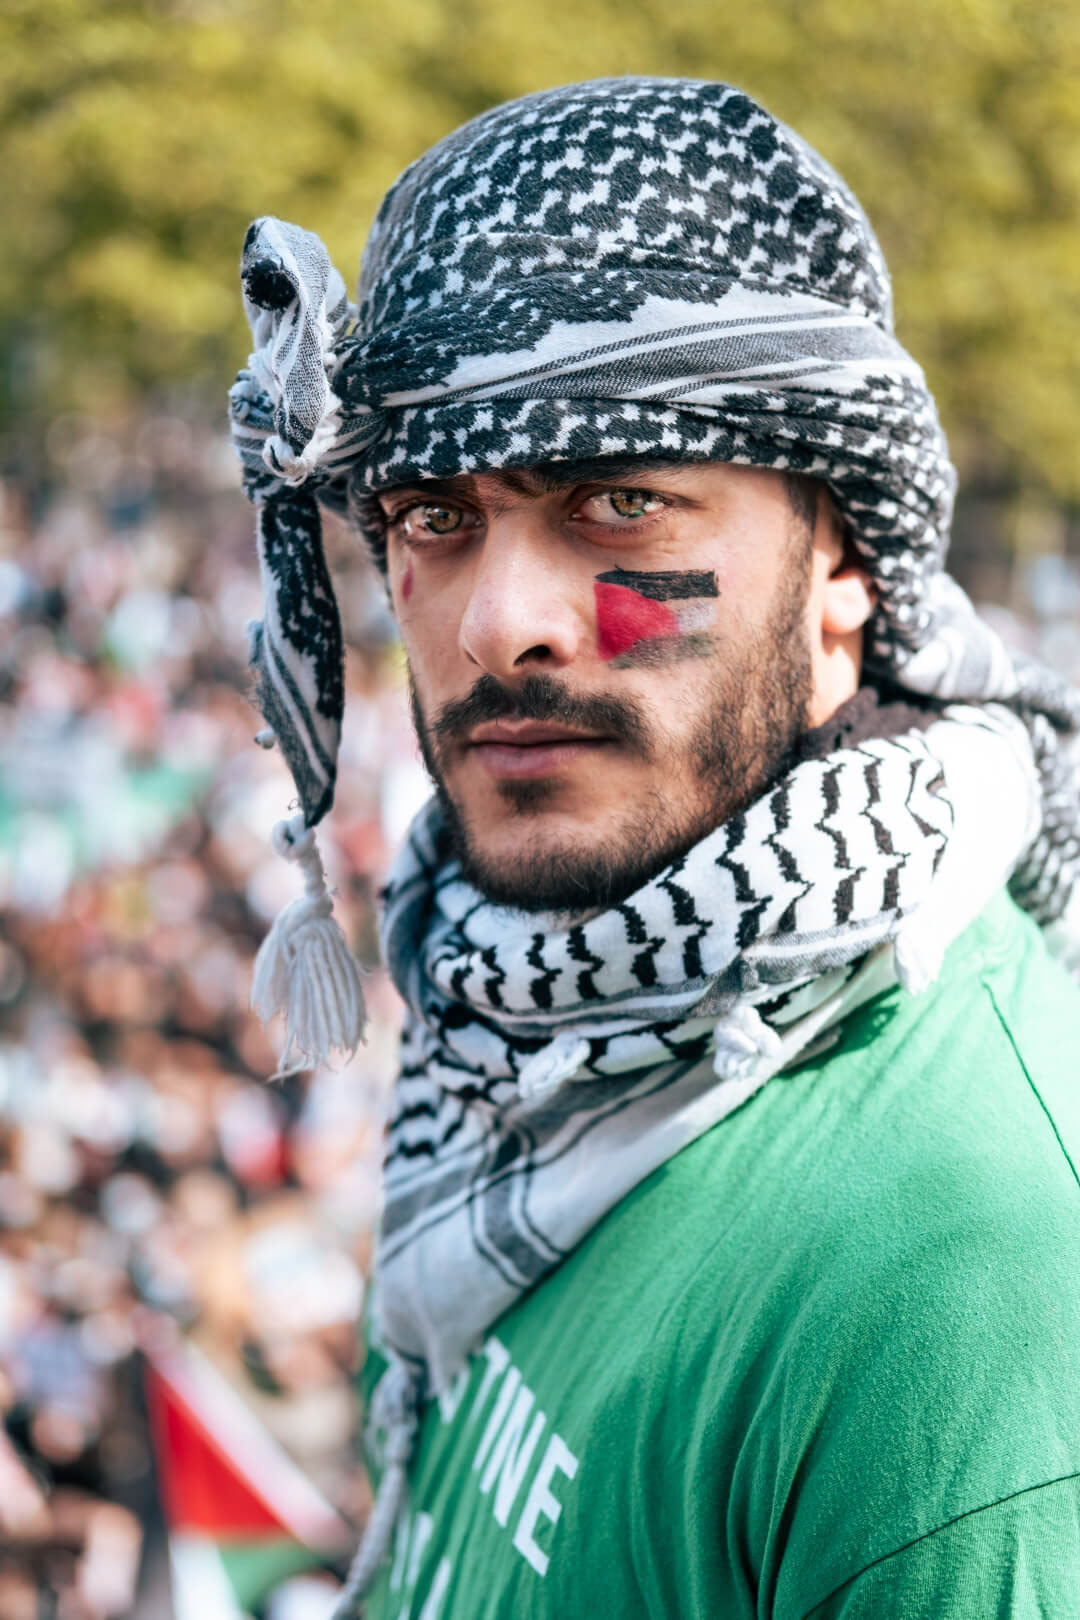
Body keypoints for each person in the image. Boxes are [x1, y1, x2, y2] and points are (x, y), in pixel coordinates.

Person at [228, 78, 1080, 1619]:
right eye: (435, 517)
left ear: (841, 556)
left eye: (621, 503)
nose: (500, 625)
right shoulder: (519, 1011)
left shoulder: (969, 1294)